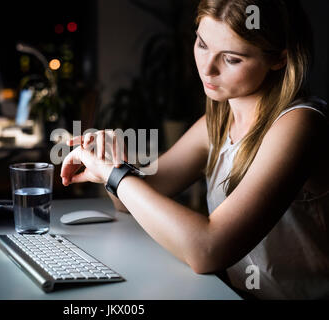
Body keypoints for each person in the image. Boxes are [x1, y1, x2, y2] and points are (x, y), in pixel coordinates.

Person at [60, 0, 328, 299]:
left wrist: (116, 175)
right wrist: (112, 161)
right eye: (202, 44)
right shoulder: (217, 120)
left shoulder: (301, 123)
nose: (207, 68)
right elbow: (135, 198)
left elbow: (208, 249)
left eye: (231, 59)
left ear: (279, 59)